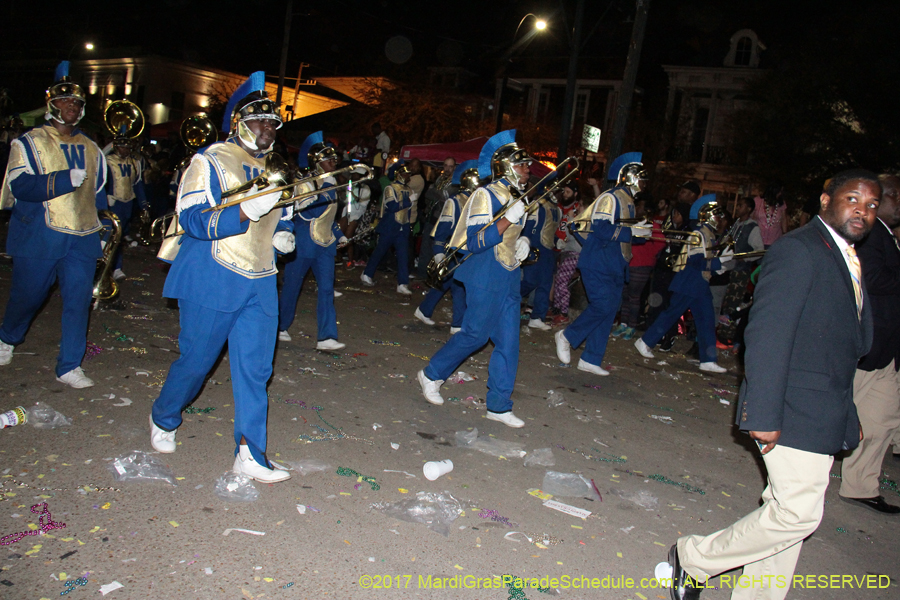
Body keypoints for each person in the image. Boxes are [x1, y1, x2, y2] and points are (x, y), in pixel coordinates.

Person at [663, 169, 879, 600]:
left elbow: (843, 346)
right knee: (798, 515)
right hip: (790, 404)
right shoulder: (800, 251)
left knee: (787, 516)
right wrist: (760, 411)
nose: (863, 210)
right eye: (853, 199)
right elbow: (766, 334)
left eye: (872, 205)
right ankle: (694, 558)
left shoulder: (846, 255)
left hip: (823, 406)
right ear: (825, 201)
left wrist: (849, 414)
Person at [149, 72, 295, 483]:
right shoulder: (210, 159)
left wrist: (284, 231)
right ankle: (163, 415)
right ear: (240, 122)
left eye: (272, 123)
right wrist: (245, 212)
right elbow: (192, 218)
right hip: (214, 273)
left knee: (255, 369)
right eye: (259, 121)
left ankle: (249, 453)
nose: (267, 128)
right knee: (197, 361)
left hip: (262, 277)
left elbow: (284, 214)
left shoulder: (277, 168)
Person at [0, 61, 108, 388]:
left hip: (82, 238)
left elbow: (98, 194)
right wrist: (62, 180)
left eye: (76, 102)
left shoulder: (92, 148)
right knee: (29, 296)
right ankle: (7, 337)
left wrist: (101, 229)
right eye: (65, 101)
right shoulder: (28, 142)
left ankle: (69, 365)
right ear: (51, 106)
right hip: (40, 234)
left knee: (78, 301)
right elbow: (21, 187)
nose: (72, 107)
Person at [417, 129, 533, 428]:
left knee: (509, 342)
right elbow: (476, 240)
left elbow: (515, 235)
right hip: (483, 272)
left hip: (508, 274)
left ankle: (498, 405)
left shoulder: (518, 196)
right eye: (522, 164)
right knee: (475, 335)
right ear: (506, 166)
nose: (527, 169)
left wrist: (525, 243)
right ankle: (431, 374)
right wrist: (509, 217)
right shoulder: (486, 194)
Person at [554, 152, 651, 376]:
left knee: (609, 311)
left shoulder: (629, 201)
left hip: (615, 264)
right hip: (599, 261)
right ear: (630, 178)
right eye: (641, 179)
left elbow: (624, 236)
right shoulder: (611, 197)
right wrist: (630, 231)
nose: (644, 184)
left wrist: (641, 235)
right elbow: (602, 228)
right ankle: (568, 335)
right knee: (603, 305)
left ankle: (591, 358)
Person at [838, 173, 900, 514]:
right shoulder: (871, 235)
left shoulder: (886, 236)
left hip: (886, 348)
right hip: (869, 344)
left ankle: (861, 484)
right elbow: (871, 277)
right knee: (838, 411)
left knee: (882, 418)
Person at [634, 195, 733, 373]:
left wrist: (719, 266)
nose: (719, 220)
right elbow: (695, 261)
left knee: (706, 320)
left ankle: (708, 359)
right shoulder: (699, 234)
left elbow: (705, 261)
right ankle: (645, 341)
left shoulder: (708, 234)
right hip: (689, 282)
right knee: (672, 314)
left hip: (698, 283)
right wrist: (719, 262)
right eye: (717, 216)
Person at [277, 131, 347, 350]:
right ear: (316, 163)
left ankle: (326, 337)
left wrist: (339, 233)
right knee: (292, 287)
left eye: (334, 159)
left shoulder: (331, 182)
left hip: (325, 245)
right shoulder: (304, 183)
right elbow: (310, 213)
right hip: (304, 243)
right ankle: (280, 327)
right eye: (328, 159)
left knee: (326, 289)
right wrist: (327, 186)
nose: (333, 162)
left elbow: (330, 216)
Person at [414, 160, 477, 331]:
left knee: (449, 283)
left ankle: (424, 310)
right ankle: (457, 324)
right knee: (458, 285)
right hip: (452, 250)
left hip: (465, 250)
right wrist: (438, 251)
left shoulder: (474, 204)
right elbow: (442, 228)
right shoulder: (454, 202)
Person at [612, 193, 665, 340]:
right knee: (625, 295)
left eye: (638, 206)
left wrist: (648, 255)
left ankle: (632, 326)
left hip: (641, 265)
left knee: (634, 296)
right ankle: (623, 323)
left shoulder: (651, 224)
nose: (636, 208)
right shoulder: (632, 222)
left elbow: (661, 242)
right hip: (628, 263)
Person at [717, 196, 764, 347]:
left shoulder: (752, 227)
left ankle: (727, 336)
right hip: (728, 268)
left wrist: (745, 259)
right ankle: (720, 333)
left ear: (749, 209)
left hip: (740, 271)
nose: (738, 208)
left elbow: (759, 250)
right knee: (724, 301)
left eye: (741, 206)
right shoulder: (736, 224)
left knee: (733, 303)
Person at [361, 165, 413, 294]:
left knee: (403, 256)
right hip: (390, 226)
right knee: (379, 251)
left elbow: (408, 212)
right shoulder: (390, 188)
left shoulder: (408, 189)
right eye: (405, 174)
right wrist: (408, 201)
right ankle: (367, 273)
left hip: (402, 226)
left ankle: (402, 283)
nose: (408, 176)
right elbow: (391, 206)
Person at [520, 181, 562, 330]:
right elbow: (527, 227)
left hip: (548, 250)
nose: (559, 194)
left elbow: (551, 230)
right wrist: (525, 242)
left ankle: (537, 317)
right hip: (535, 248)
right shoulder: (537, 205)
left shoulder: (557, 210)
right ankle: (505, 301)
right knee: (530, 281)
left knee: (545, 284)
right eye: (556, 191)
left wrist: (558, 241)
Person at [106, 136, 148, 280]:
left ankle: (116, 267)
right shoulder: (108, 161)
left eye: (127, 147)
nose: (125, 150)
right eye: (122, 147)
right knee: (108, 237)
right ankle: (103, 267)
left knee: (119, 238)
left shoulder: (134, 163)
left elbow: (138, 184)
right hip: (113, 203)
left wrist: (144, 205)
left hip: (127, 204)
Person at [549, 181, 583, 324]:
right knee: (557, 281)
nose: (565, 194)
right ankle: (556, 309)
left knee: (562, 283)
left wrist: (571, 217)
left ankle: (563, 312)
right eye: (564, 192)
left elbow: (577, 232)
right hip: (562, 250)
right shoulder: (560, 207)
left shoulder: (578, 212)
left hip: (573, 252)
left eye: (568, 192)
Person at [753, 182, 788, 247]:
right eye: (779, 191)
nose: (780, 193)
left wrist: (785, 235)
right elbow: (752, 218)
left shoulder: (781, 204)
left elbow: (784, 220)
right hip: (757, 239)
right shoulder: (758, 201)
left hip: (775, 241)